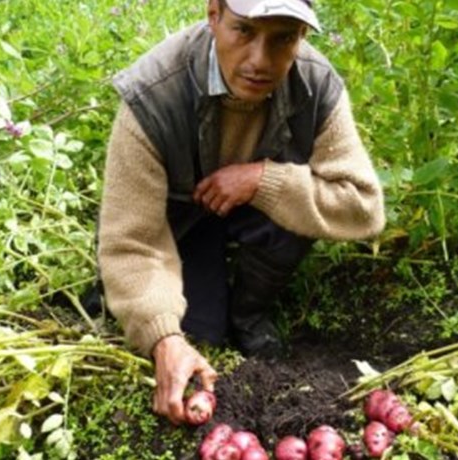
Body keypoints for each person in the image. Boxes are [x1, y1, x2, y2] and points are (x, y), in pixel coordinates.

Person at [97, 0, 385, 424]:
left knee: (296, 204)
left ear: (301, 37)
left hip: (254, 209)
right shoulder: (153, 96)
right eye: (245, 31)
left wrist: (265, 181)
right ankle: (188, 302)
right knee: (197, 331)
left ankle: (249, 313)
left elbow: (364, 209)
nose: (260, 60)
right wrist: (163, 337)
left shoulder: (316, 85)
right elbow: (131, 240)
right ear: (214, 15)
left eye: (283, 37)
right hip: (182, 215)